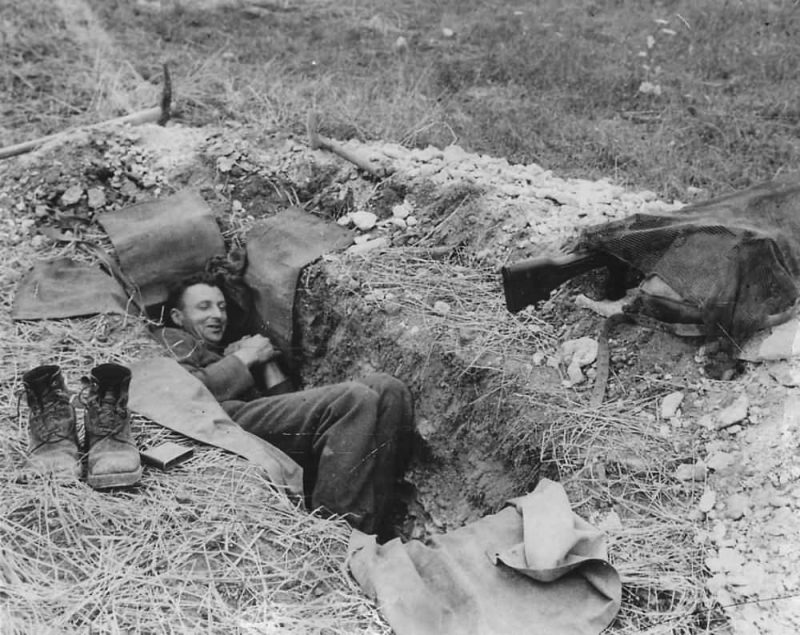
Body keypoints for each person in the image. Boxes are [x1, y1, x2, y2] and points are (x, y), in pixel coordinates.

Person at [155, 272, 415, 539]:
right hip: (219, 421)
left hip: (254, 424)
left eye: (221, 307)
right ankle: (336, 537)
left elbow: (288, 406)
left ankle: (373, 532)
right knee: (353, 400)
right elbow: (186, 392)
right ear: (177, 317)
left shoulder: (226, 350)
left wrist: (264, 362)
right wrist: (247, 356)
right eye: (204, 307)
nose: (218, 315)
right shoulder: (170, 337)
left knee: (387, 389)